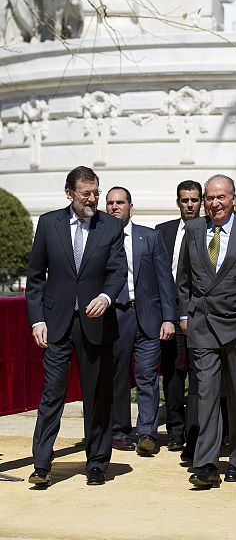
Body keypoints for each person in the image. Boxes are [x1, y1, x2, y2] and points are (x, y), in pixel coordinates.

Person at [25, 166, 127, 487]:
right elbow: (35, 277)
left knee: (97, 396)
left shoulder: (109, 226)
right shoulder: (47, 223)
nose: (93, 199)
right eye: (86, 194)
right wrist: (37, 318)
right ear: (69, 193)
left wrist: (107, 298)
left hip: (95, 325)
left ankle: (96, 463)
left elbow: (117, 272)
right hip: (56, 325)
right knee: (52, 394)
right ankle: (42, 464)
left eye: (96, 193)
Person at [177, 174, 236, 489]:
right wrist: (184, 312)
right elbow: (184, 277)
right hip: (203, 322)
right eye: (210, 198)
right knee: (205, 394)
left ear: (233, 200)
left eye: (221, 197)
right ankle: (206, 464)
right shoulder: (193, 229)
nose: (214, 203)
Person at [106, 187, 176, 455]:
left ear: (130, 207)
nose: (115, 207)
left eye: (120, 202)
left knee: (147, 376)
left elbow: (164, 280)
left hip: (147, 315)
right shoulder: (99, 239)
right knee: (118, 377)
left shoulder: (150, 237)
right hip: (116, 316)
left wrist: (168, 317)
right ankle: (120, 431)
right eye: (110, 203)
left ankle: (147, 432)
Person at [156, 180, 202, 454]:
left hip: (199, 312)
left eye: (194, 200)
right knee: (172, 373)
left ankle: (194, 430)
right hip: (169, 311)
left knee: (199, 373)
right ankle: (175, 430)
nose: (189, 204)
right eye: (184, 200)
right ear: (178, 202)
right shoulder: (163, 232)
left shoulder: (210, 231)